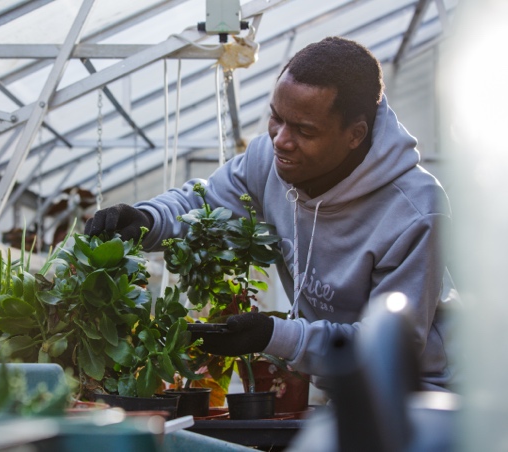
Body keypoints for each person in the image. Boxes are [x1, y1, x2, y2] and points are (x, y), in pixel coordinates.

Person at [85, 36, 458, 392]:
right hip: (344, 389)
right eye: (276, 117)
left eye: (304, 129)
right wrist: (147, 219)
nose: (280, 139)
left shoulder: (414, 211)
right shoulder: (270, 161)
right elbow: (203, 204)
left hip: (421, 393)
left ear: (355, 134)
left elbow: (388, 347)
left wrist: (273, 334)